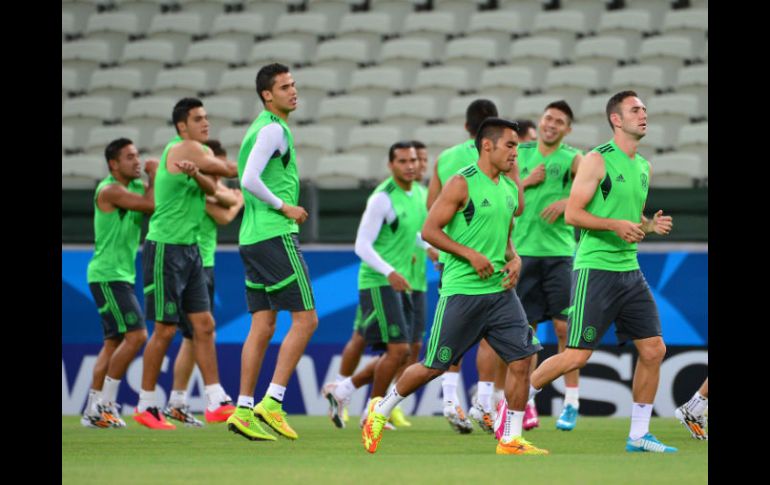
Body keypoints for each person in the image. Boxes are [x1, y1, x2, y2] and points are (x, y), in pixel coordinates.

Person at [362, 118, 549, 456]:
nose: (516, 154)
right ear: (487, 146)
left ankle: (511, 438)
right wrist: (469, 254)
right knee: (433, 366)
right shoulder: (461, 183)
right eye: (510, 146)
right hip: (463, 292)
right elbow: (429, 230)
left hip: (500, 292)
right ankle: (381, 408)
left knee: (524, 359)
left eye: (518, 148)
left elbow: (506, 240)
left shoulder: (508, 188)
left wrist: (516, 259)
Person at [527, 90, 677, 453]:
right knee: (577, 355)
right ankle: (514, 401)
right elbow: (573, 214)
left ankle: (639, 435)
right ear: (616, 119)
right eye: (635, 110)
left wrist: (648, 226)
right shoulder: (596, 160)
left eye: (644, 109)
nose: (644, 115)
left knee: (654, 349)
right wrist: (614, 225)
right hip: (595, 270)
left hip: (630, 270)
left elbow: (628, 221)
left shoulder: (643, 166)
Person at [226, 63, 318, 442]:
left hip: (251, 237)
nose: (293, 91)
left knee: (262, 324)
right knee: (307, 320)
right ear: (267, 94)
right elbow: (248, 178)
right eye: (284, 87)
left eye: (294, 85)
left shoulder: (260, 127)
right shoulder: (272, 129)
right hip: (274, 233)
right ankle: (273, 402)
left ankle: (244, 408)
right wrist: (285, 207)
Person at [134, 97, 239, 430]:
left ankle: (214, 399)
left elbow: (212, 185)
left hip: (191, 250)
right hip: (166, 247)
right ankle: (146, 404)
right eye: (198, 119)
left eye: (207, 118)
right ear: (183, 126)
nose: (205, 123)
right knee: (164, 330)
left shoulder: (194, 156)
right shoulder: (184, 148)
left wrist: (198, 177)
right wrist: (260, 154)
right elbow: (227, 172)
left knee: (204, 325)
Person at [427, 99, 520, 434]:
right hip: (480, 257)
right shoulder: (500, 166)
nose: (514, 151)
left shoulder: (446, 158)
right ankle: (484, 400)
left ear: (467, 127)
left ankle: (451, 401)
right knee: (485, 337)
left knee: (457, 337)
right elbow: (519, 207)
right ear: (486, 138)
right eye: (511, 145)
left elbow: (431, 208)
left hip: (458, 259)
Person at [321, 142, 429, 430]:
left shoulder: (419, 194)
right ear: (390, 165)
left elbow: (415, 235)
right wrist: (389, 271)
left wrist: (436, 251)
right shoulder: (383, 197)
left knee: (402, 352)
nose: (410, 165)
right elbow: (362, 244)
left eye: (414, 160)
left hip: (402, 282)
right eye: (403, 160)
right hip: (379, 281)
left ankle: (342, 390)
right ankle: (375, 411)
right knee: (397, 350)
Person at [496, 101, 583, 436]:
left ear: (567, 129)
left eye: (559, 121)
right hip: (523, 253)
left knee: (565, 329)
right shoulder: (521, 153)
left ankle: (571, 402)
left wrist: (567, 201)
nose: (551, 124)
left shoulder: (574, 158)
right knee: (522, 332)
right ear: (541, 121)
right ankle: (523, 402)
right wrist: (527, 182)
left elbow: (595, 189)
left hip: (559, 253)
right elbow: (500, 186)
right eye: (548, 118)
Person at [163, 140, 244, 427]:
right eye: (214, 169)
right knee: (194, 334)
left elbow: (228, 201)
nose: (218, 176)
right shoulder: (198, 188)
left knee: (190, 337)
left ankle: (177, 401)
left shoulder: (210, 189)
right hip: (193, 264)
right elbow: (225, 213)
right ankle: (199, 397)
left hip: (202, 265)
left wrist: (231, 198)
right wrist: (235, 201)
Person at [81, 138, 156, 428]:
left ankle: (92, 410)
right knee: (137, 336)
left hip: (118, 275)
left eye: (138, 155)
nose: (137, 161)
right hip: (108, 275)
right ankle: (106, 404)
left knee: (113, 342)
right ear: (114, 164)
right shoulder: (110, 190)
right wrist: (154, 175)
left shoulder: (133, 186)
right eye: (130, 157)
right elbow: (151, 205)